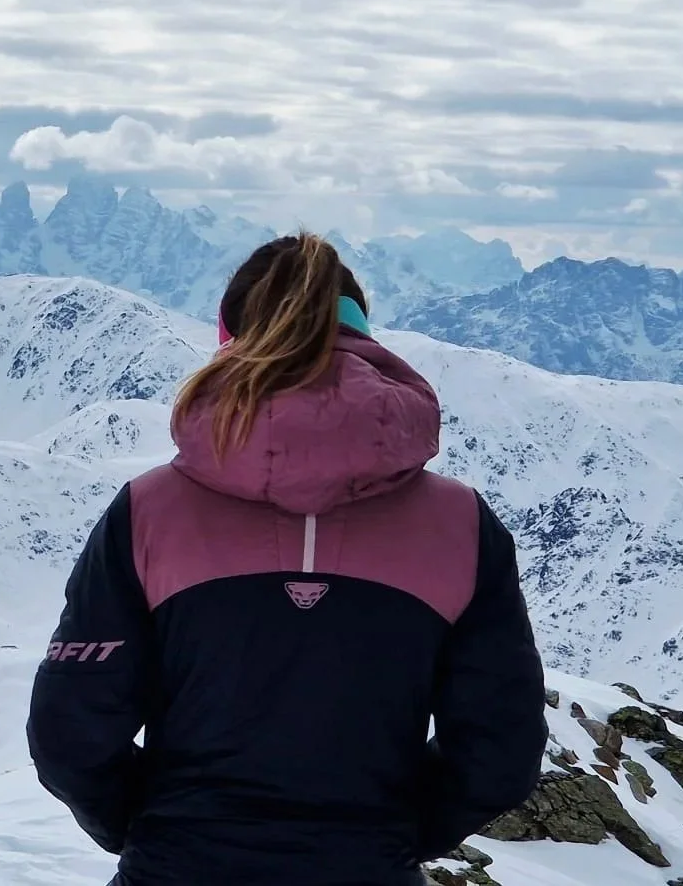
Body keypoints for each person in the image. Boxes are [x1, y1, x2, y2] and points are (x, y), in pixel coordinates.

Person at [27, 233, 547, 885]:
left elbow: (69, 732)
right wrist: (391, 838)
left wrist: (153, 829)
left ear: (229, 346)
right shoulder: (462, 526)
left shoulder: (148, 512)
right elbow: (502, 750)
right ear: (364, 344)